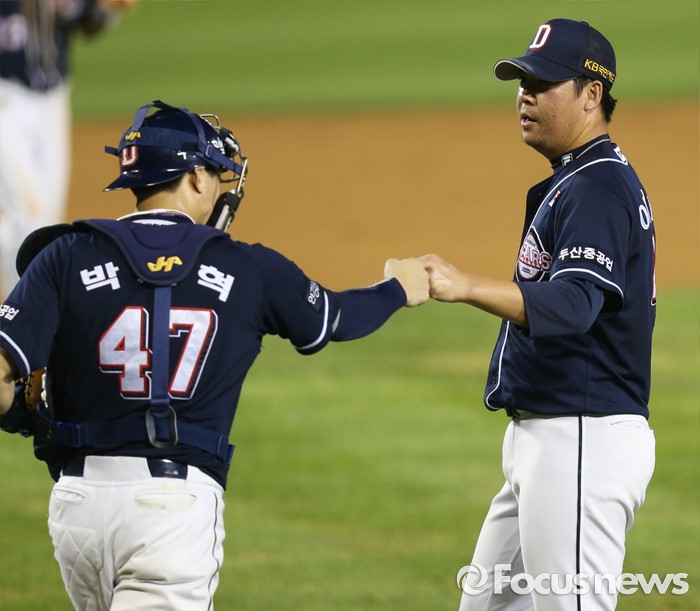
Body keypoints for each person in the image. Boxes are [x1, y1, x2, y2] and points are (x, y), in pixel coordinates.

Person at [0, 99, 429, 611]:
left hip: (78, 509)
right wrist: (397, 288)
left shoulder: (64, 254)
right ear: (196, 177)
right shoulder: (248, 267)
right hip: (171, 513)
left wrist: (27, 416)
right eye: (217, 174)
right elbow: (337, 318)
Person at [420, 19, 657, 611]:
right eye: (522, 82)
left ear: (591, 94)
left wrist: (465, 285)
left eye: (543, 84)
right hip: (553, 439)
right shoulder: (580, 178)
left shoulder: (597, 187)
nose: (525, 95)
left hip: (581, 438)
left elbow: (575, 304)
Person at [0, 0, 138, 299]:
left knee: (47, 217)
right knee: (28, 211)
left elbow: (88, 23)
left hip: (53, 102)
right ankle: (18, 309)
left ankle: (24, 299)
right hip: (5, 101)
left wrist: (108, 11)